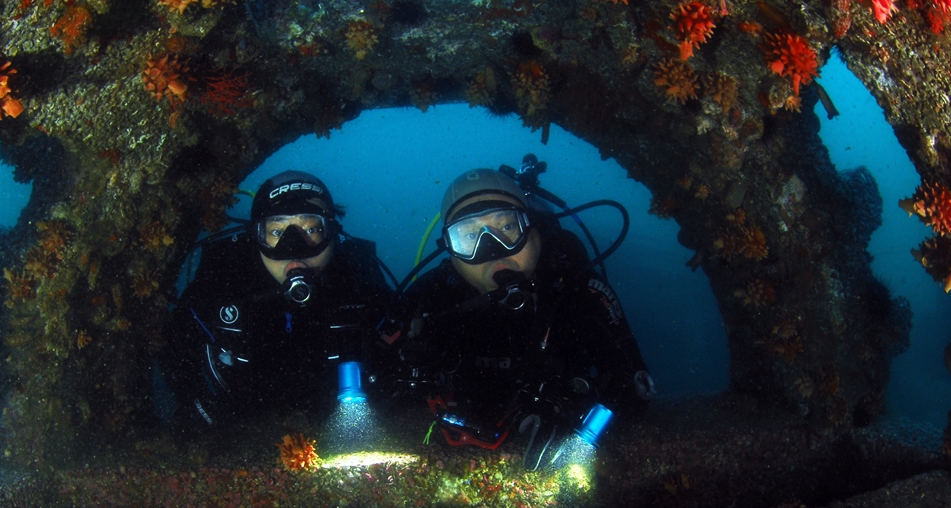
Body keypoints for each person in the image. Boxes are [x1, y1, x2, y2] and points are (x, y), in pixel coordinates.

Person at [382, 167, 654, 469]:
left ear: (533, 227)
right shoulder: (431, 295)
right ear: (451, 251)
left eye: (507, 226)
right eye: (469, 236)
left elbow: (634, 388)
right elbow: (376, 369)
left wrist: (580, 423)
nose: (491, 249)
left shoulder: (578, 288)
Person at [161, 171, 392, 435]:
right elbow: (174, 345)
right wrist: (200, 406)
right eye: (276, 231)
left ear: (332, 233)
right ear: (256, 236)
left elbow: (397, 351)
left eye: (311, 229)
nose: (293, 247)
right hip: (236, 425)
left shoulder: (360, 280)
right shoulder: (223, 278)